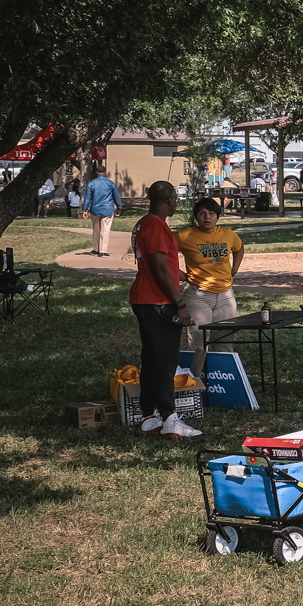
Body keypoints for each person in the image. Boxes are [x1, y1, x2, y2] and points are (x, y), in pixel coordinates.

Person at [130, 181, 201, 438]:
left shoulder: (143, 223)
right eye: (175, 198)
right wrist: (180, 304)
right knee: (165, 361)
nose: (177, 202)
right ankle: (170, 417)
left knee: (151, 359)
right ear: (169, 199)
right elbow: (159, 268)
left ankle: (148, 416)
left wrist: (179, 274)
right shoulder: (157, 226)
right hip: (158, 301)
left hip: (144, 297)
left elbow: (157, 264)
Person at [176, 197, 244, 360]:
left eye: (212, 213)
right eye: (202, 213)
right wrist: (181, 275)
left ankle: (222, 379)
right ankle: (197, 380)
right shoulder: (184, 236)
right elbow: (164, 255)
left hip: (225, 295)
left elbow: (239, 248)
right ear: (196, 216)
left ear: (217, 216)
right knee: (199, 340)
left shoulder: (228, 234)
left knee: (224, 340)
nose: (207, 217)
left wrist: (235, 268)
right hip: (198, 295)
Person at [82, 166, 122, 258]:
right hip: (107, 209)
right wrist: (119, 207)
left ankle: (96, 249)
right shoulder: (110, 183)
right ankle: (103, 251)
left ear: (96, 172)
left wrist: (85, 209)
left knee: (96, 230)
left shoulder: (92, 183)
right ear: (105, 173)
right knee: (105, 230)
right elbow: (116, 197)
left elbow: (87, 197)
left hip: (94, 209)